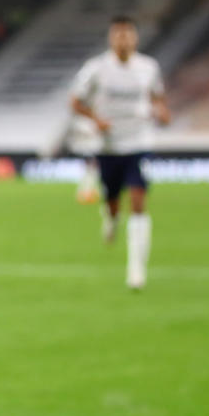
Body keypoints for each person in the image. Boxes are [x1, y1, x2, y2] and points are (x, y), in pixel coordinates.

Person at [71, 15, 170, 289]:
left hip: (139, 144)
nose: (123, 39)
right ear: (111, 38)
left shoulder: (149, 67)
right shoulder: (97, 68)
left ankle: (136, 271)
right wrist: (96, 119)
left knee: (138, 202)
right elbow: (75, 101)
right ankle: (111, 219)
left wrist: (162, 112)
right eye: (118, 34)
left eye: (128, 34)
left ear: (135, 38)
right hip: (108, 146)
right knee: (113, 201)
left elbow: (158, 97)